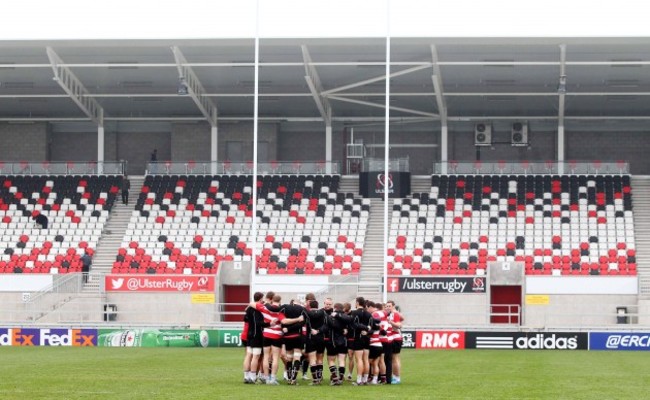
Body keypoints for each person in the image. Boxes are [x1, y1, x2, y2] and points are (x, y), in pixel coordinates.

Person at [386, 300, 403, 384]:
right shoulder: (391, 314)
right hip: (394, 338)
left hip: (395, 338)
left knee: (394, 358)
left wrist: (390, 322)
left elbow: (398, 325)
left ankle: (396, 377)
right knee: (395, 358)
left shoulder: (394, 314)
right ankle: (396, 376)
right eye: (387, 306)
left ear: (393, 306)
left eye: (389, 306)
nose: (388, 307)